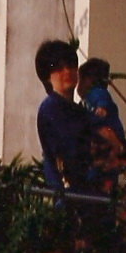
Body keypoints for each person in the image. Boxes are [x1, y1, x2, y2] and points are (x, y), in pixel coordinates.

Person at [34, 39, 98, 199]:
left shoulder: (80, 110)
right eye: (58, 68)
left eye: (71, 65)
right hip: (68, 195)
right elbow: (71, 150)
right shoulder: (50, 108)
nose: (67, 71)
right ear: (47, 76)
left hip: (89, 194)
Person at [78, 56, 126, 190]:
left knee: (102, 173)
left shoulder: (96, 93)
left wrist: (98, 112)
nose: (77, 85)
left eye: (80, 79)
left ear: (89, 80)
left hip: (110, 138)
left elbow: (102, 106)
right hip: (106, 143)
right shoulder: (86, 101)